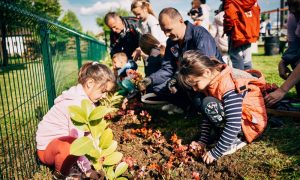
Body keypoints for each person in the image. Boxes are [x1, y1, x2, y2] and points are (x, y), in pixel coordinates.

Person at [177, 50, 267, 164]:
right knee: (207, 104)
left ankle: (237, 140)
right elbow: (207, 116)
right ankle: (226, 137)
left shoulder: (227, 86)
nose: (194, 89)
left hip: (250, 125)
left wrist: (216, 152)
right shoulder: (212, 82)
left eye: (195, 83)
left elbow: (233, 123)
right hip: (240, 120)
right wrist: (203, 141)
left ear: (207, 72)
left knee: (208, 103)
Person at [36, 62, 115, 178]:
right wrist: (88, 170)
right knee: (71, 145)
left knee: (74, 144)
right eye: (103, 91)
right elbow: (78, 142)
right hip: (47, 150)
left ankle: (73, 164)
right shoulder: (75, 105)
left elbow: (88, 135)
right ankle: (61, 174)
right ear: (90, 83)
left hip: (63, 144)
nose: (104, 96)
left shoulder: (87, 101)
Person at [138, 7, 223, 113]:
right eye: (164, 31)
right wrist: (151, 79)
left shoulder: (200, 34)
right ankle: (186, 106)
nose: (166, 34)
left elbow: (203, 66)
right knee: (157, 87)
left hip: (207, 79)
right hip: (186, 80)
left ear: (180, 21)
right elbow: (167, 68)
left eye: (169, 30)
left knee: (197, 100)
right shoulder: (171, 42)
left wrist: (176, 78)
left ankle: (195, 105)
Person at [264, 0, 300, 106]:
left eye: (297, 5)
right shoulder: (293, 16)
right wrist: (283, 61)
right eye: (290, 5)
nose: (292, 10)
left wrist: (282, 90)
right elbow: (294, 45)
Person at [224, 0, 260, 70]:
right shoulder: (253, 1)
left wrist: (227, 29)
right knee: (247, 59)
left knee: (236, 57)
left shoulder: (232, 1)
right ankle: (249, 77)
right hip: (250, 32)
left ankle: (240, 78)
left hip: (236, 33)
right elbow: (257, 14)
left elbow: (229, 17)